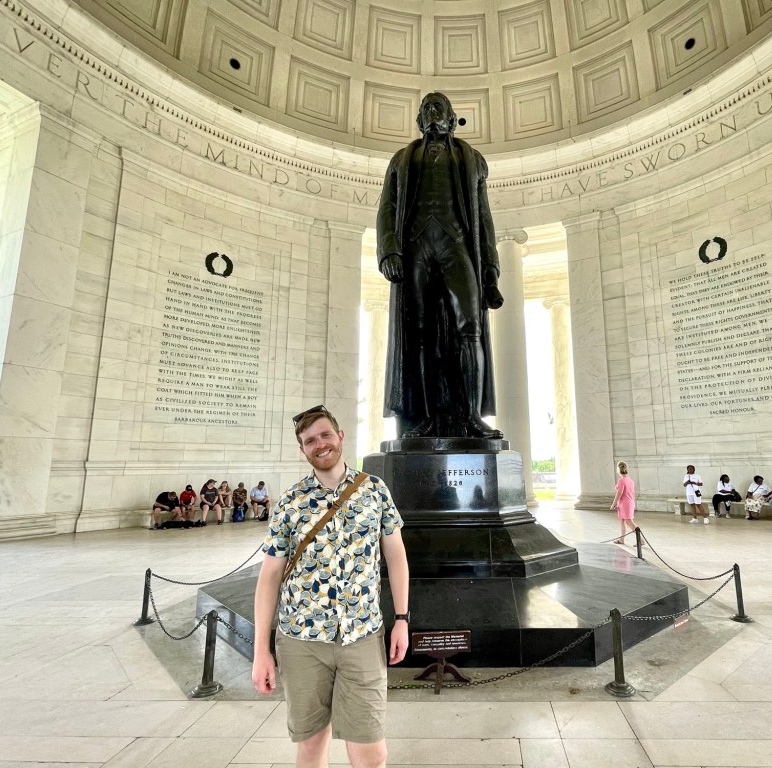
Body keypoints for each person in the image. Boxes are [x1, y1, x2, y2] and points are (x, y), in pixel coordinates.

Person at [252, 405, 410, 768]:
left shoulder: (374, 490)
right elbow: (270, 576)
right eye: (310, 440)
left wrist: (402, 618)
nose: (320, 444)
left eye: (325, 435)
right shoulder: (290, 501)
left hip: (362, 636)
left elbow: (396, 556)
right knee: (310, 748)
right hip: (302, 642)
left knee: (372, 754)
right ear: (302, 450)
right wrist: (262, 650)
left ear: (340, 436)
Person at [376, 92, 504, 439]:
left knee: (470, 327)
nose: (433, 112)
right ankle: (425, 417)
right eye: (427, 108)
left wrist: (490, 266)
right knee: (418, 333)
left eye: (439, 107)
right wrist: (389, 251)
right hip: (415, 247)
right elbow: (387, 207)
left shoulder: (471, 159)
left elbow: (484, 216)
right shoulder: (402, 159)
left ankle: (471, 417)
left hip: (456, 245)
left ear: (451, 117)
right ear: (420, 119)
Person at [611, 461, 637, 544]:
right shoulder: (631, 481)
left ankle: (641, 540)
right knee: (623, 521)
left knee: (629, 522)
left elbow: (619, 493)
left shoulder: (621, 481)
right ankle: (621, 539)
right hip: (628, 503)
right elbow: (633, 493)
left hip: (625, 504)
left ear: (618, 469)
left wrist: (613, 504)